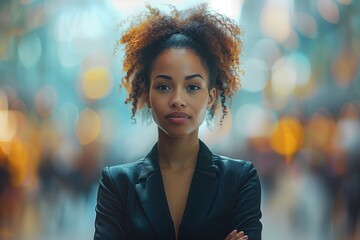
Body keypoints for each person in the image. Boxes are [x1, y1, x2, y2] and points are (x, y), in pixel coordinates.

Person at [94, 3, 262, 240]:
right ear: (147, 95)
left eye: (192, 87)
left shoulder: (239, 180)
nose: (177, 100)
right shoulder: (117, 184)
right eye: (163, 86)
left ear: (210, 97)